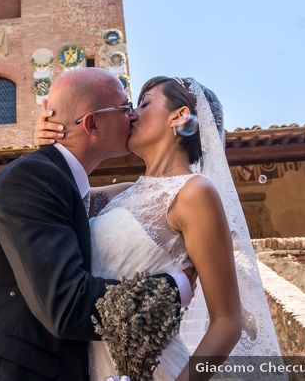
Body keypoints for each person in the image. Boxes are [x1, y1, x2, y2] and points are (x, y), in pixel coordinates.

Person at [0, 68, 194, 381]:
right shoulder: (33, 180)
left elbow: (104, 203)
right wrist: (177, 285)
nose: (132, 115)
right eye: (123, 108)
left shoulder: (56, 182)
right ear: (93, 124)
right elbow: (66, 305)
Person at [35, 76, 283, 380]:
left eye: (144, 103)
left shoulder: (194, 194)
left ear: (178, 116)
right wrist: (51, 146)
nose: (132, 113)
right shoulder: (119, 194)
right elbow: (48, 195)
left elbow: (227, 322)